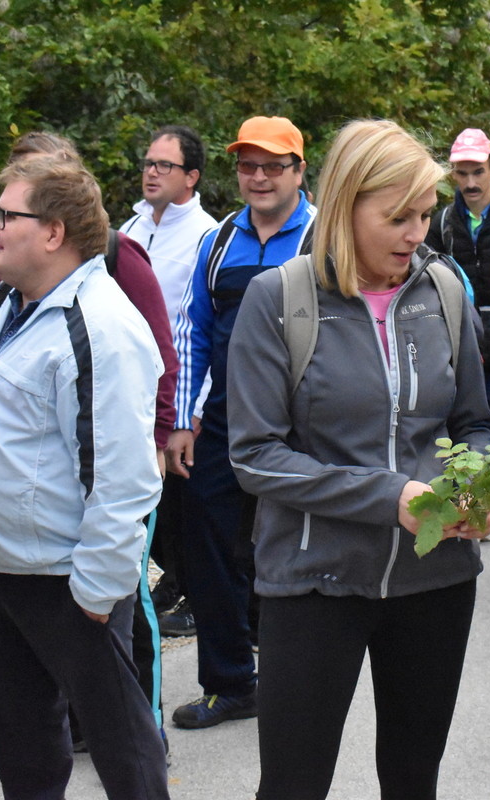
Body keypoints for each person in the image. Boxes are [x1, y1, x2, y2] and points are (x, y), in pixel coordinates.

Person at [227, 118, 490, 799]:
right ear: (347, 207)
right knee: (292, 785)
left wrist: (489, 486)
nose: (418, 234)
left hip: (435, 581)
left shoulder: (445, 294)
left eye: (426, 215)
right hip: (312, 581)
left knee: (413, 780)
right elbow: (256, 456)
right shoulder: (278, 299)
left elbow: (475, 425)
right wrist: (392, 498)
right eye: (398, 217)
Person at [0, 130, 177, 748]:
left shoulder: (102, 325)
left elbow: (126, 475)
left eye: (5, 215)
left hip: (64, 578)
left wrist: (99, 590)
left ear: (52, 232)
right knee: (25, 749)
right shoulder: (1, 306)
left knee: (121, 747)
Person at [167, 115, 316, 729]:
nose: (258, 177)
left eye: (272, 166)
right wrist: (181, 421)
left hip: (303, 421)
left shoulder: (323, 237)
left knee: (296, 548)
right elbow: (193, 330)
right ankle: (230, 681)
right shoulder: (221, 239)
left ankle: (300, 680)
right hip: (226, 415)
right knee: (204, 542)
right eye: (248, 165)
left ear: (299, 171)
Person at [121, 124, 218, 637]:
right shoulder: (128, 232)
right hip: (130, 394)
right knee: (145, 499)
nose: (152, 172)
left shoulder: (207, 234)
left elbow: (201, 328)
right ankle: (171, 579)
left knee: (186, 505)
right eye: (149, 163)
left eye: (165, 165)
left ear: (192, 176)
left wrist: (193, 409)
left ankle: (197, 592)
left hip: (179, 396)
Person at [425, 128, 490, 542]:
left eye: (477, 172)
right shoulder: (442, 222)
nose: (470, 182)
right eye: (461, 173)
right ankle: (480, 502)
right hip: (462, 336)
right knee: (470, 422)